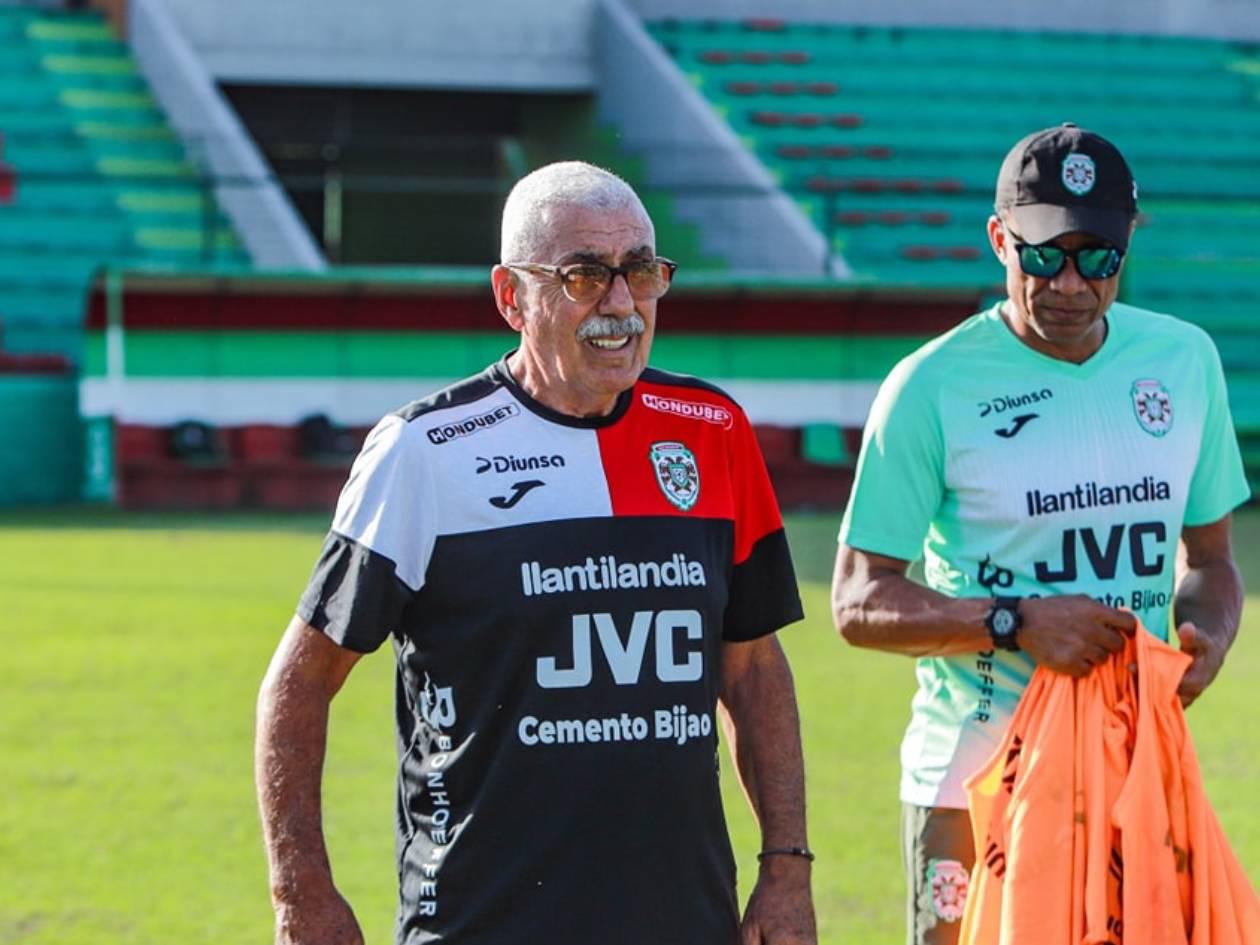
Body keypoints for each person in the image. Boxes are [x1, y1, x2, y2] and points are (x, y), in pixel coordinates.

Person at [255, 160, 817, 945]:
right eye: (585, 275)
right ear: (511, 296)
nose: (621, 304)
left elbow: (753, 670)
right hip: (483, 921)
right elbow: (301, 679)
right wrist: (302, 892)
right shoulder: (423, 452)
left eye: (641, 273)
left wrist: (787, 869)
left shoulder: (712, 431)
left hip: (685, 921)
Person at [830, 123, 1249, 945]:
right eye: (1044, 255)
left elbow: (1212, 560)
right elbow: (856, 600)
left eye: (1099, 259)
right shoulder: (929, 387)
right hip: (975, 782)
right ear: (999, 239)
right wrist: (1013, 620)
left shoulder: (1184, 361)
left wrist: (1211, 632)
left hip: (1133, 770)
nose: (1071, 284)